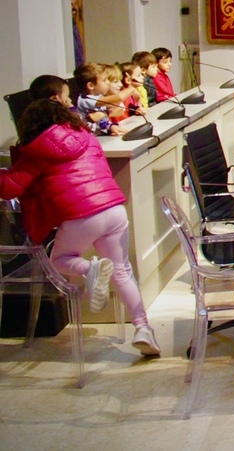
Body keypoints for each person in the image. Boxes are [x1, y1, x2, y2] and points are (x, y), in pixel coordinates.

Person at [0, 75, 160, 355]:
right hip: (113, 207)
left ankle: (90, 269)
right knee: (122, 270)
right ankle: (143, 328)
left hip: (81, 214)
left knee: (59, 260)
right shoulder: (83, 133)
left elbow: (10, 187)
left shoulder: (36, 148)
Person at [73, 63, 126, 136]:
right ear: (91, 86)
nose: (108, 82)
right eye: (104, 80)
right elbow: (118, 98)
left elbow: (117, 110)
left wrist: (110, 126)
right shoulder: (85, 100)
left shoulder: (99, 96)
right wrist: (132, 88)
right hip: (88, 138)